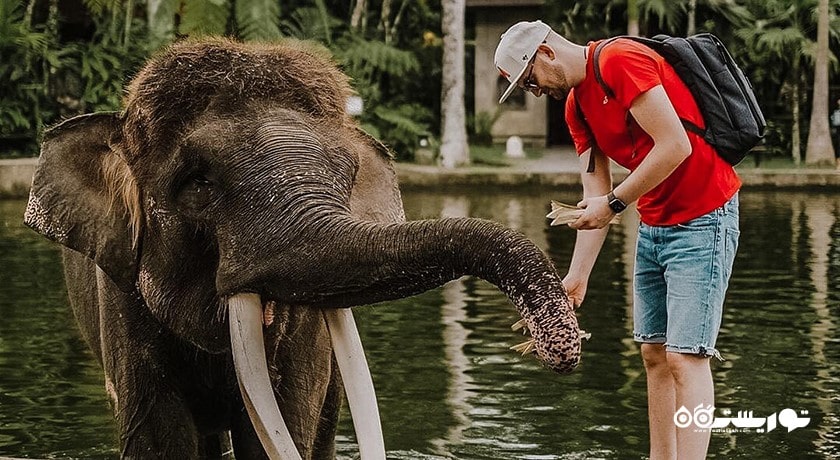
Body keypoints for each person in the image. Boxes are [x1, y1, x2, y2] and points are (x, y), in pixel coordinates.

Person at [495, 21, 740, 459]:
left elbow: (674, 145)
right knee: (654, 353)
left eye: (529, 80)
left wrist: (615, 203)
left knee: (688, 357)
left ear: (547, 53)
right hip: (655, 223)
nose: (533, 92)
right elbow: (594, 197)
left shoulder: (620, 60)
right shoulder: (576, 107)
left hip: (705, 215)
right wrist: (576, 276)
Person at [831, 98, 840, 169]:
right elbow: (834, 122)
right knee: (838, 147)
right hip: (838, 130)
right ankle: (838, 165)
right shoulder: (835, 112)